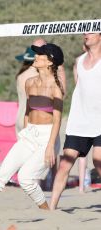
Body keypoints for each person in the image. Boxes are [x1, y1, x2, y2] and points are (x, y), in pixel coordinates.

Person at [0, 42, 64, 210]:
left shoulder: (55, 88)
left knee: (25, 178)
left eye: (40, 55)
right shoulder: (30, 82)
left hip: (47, 137)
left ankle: (46, 211)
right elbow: (27, 111)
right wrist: (25, 132)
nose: (35, 57)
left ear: (50, 62)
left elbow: (57, 120)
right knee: (1, 174)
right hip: (30, 132)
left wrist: (50, 147)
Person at [50, 33, 101, 210]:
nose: (85, 34)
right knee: (65, 164)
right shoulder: (79, 61)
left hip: (100, 120)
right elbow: (81, 89)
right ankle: (52, 208)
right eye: (84, 31)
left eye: (90, 31)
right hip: (80, 121)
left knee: (98, 160)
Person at [15, 38, 66, 190]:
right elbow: (62, 95)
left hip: (21, 117)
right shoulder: (39, 77)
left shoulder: (21, 75)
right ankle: (48, 186)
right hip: (40, 119)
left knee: (30, 157)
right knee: (48, 154)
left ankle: (36, 188)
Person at [73, 43, 89, 193]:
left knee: (82, 152)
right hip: (87, 108)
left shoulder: (79, 61)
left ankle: (81, 187)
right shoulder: (80, 61)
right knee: (82, 152)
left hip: (86, 108)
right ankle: (82, 186)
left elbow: (77, 84)